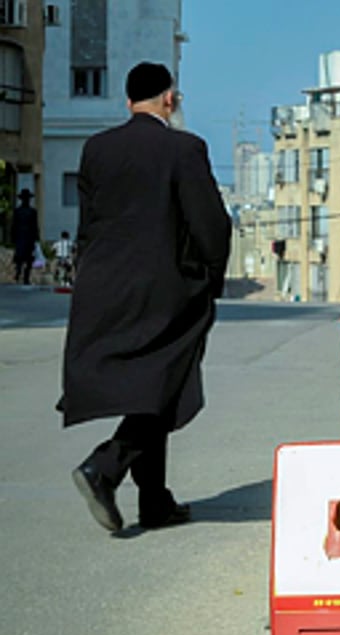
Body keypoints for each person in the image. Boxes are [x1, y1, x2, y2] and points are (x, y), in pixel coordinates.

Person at [59, 62, 231, 532]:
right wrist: (212, 278)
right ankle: (105, 466)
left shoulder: (97, 148)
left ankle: (154, 501)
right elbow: (211, 223)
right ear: (169, 99)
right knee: (167, 381)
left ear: (128, 99)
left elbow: (89, 223)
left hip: (103, 285)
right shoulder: (184, 147)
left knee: (149, 384)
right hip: (167, 287)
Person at [10, 188, 39, 285]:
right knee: (27, 258)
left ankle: (20, 273)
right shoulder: (32, 211)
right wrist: (36, 237)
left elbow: (13, 225)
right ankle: (24, 276)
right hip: (27, 237)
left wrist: (13, 237)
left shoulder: (18, 211)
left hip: (21, 236)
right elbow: (35, 226)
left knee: (21, 256)